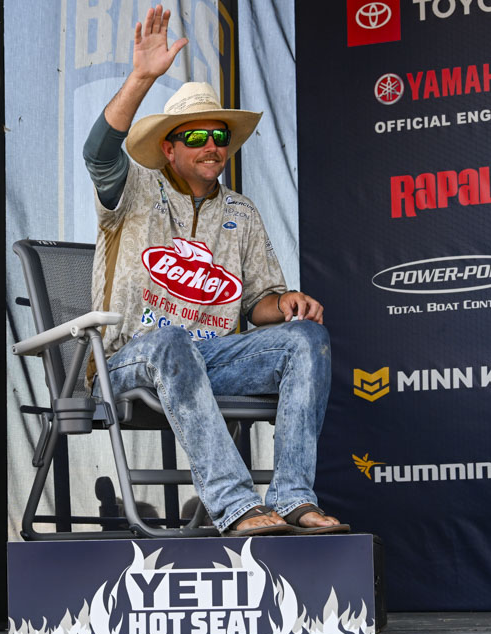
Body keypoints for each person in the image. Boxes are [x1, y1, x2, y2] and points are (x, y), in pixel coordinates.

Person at [82, 5, 347, 537]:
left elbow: (259, 304)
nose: (212, 146)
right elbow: (98, 152)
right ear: (169, 148)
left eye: (220, 137)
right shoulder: (133, 187)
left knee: (306, 339)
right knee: (170, 340)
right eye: (197, 136)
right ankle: (235, 504)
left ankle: (293, 496)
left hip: (213, 359)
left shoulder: (241, 212)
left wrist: (285, 303)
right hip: (128, 362)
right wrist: (142, 77)